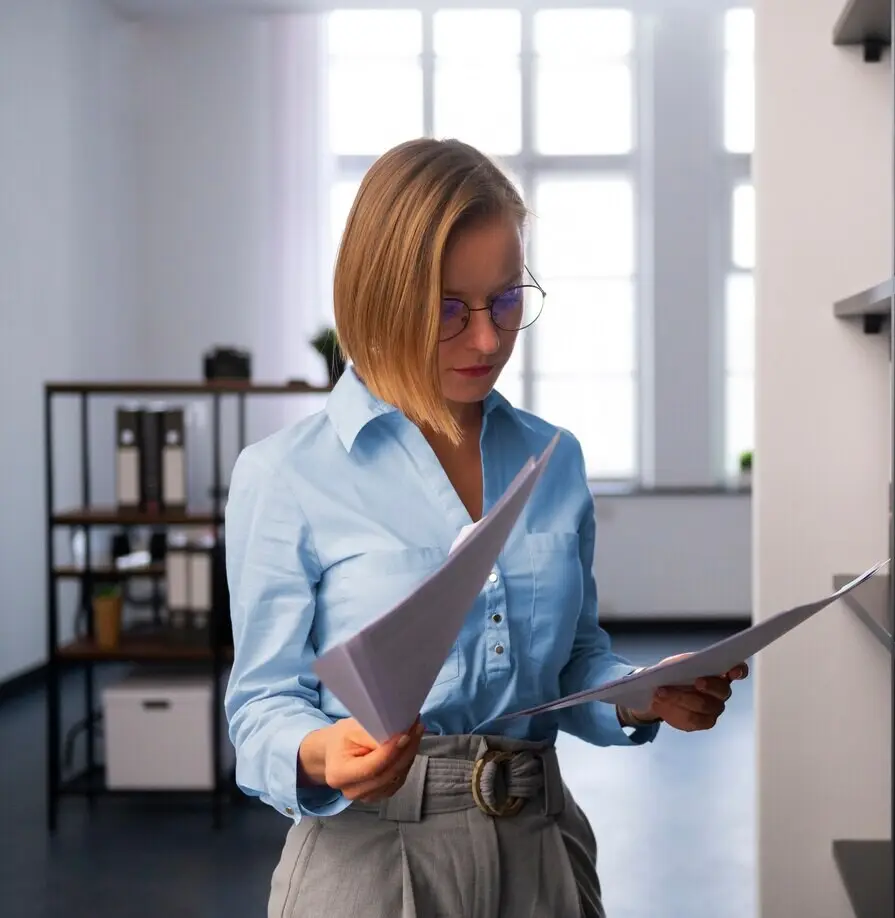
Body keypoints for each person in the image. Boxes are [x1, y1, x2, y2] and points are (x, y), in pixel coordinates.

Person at [223, 137, 748, 918]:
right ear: (377, 296)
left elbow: (570, 665)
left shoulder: (553, 458)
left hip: (542, 854)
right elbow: (261, 705)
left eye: (506, 301)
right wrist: (322, 753)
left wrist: (641, 697)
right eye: (448, 309)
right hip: (369, 866)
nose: (487, 339)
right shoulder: (286, 475)